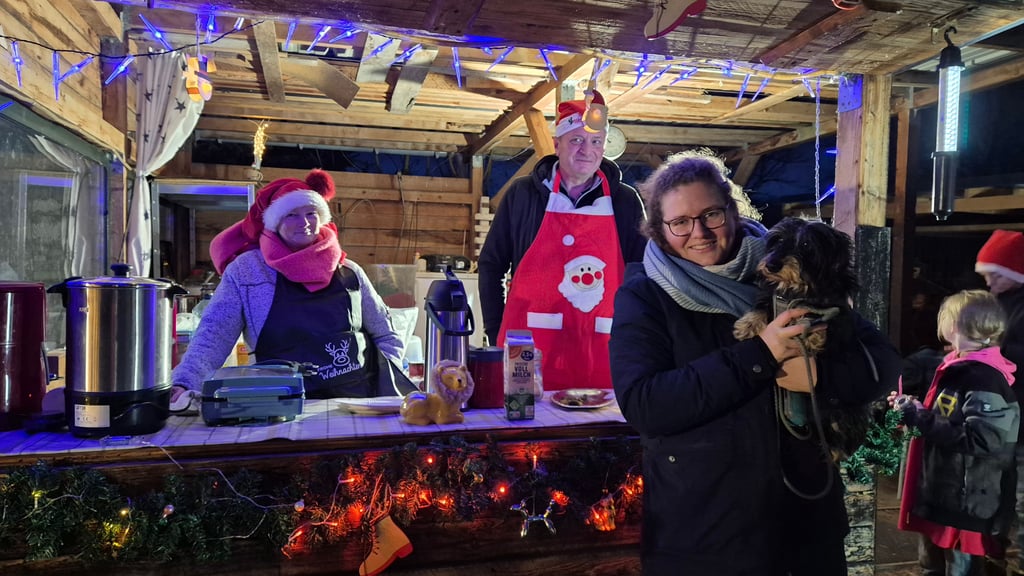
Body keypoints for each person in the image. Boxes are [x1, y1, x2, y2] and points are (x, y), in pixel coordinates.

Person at [608, 150, 900, 576]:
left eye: (711, 214)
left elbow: (884, 364)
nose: (699, 232)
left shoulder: (794, 269)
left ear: (731, 209)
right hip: (707, 536)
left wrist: (820, 377)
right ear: (659, 229)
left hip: (805, 527)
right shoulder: (644, 296)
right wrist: (760, 355)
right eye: (680, 222)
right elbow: (647, 405)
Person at [170, 169, 408, 408]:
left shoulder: (350, 271)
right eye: (292, 215)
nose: (304, 223)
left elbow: (386, 334)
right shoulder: (247, 271)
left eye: (311, 213)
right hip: (278, 407)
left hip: (352, 406)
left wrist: (384, 389)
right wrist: (184, 382)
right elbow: (214, 334)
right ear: (274, 222)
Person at [478, 89, 646, 391]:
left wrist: (638, 335)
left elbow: (642, 274)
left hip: (604, 343)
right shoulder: (523, 195)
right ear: (557, 144)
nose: (587, 150)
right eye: (577, 140)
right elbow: (491, 265)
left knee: (601, 426)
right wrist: (496, 328)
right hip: (526, 342)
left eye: (596, 142)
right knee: (522, 420)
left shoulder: (625, 201)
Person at [890, 289, 1019, 576]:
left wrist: (920, 417)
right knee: (933, 565)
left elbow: (982, 438)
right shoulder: (958, 367)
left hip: (965, 504)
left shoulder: (983, 377)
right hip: (944, 493)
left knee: (960, 569)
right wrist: (912, 407)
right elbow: (948, 416)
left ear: (956, 326)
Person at [974, 229, 1024, 575]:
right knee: (999, 488)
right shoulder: (998, 304)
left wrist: (989, 353)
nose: (988, 281)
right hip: (1002, 416)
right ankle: (995, 553)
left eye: (994, 274)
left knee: (1021, 495)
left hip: (1020, 418)